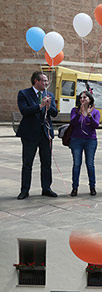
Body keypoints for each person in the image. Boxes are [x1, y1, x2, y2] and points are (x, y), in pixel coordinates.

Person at [17, 70, 58, 199]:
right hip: (30, 134)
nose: (46, 83)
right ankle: (25, 190)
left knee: (46, 163)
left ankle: (46, 188)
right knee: (27, 163)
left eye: (47, 81)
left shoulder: (49, 94)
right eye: (44, 81)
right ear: (36, 81)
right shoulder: (24, 94)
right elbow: (25, 111)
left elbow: (54, 113)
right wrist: (40, 105)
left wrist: (48, 107)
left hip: (45, 134)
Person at [69, 90, 100, 197]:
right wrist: (79, 113)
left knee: (90, 164)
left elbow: (96, 125)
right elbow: (72, 122)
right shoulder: (75, 110)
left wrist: (90, 115)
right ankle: (74, 187)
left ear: (90, 99)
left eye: (85, 97)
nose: (82, 99)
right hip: (76, 140)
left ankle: (92, 186)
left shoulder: (95, 111)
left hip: (90, 140)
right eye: (81, 97)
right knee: (77, 164)